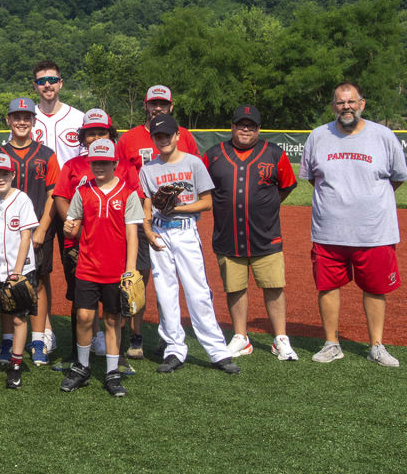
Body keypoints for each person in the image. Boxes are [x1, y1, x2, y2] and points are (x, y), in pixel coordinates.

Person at [300, 82, 406, 367]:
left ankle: (376, 346)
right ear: (334, 106)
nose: (346, 107)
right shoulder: (318, 136)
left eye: (351, 101)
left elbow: (397, 176)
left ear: (362, 104)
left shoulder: (383, 136)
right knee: (327, 287)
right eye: (340, 102)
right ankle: (332, 343)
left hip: (374, 231)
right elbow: (313, 177)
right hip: (328, 231)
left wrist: (368, 200)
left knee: (375, 288)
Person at [139, 114, 239, 375]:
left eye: (167, 135)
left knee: (198, 291)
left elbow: (207, 202)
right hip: (160, 234)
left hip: (185, 232)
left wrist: (178, 207)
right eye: (158, 136)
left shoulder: (193, 163)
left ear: (177, 136)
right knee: (165, 292)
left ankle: (217, 351)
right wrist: (148, 231)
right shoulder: (148, 169)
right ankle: (174, 348)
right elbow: (147, 205)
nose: (163, 140)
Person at [203, 105, 298, 361]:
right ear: (232, 126)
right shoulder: (213, 155)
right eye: (240, 124)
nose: (245, 129)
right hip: (227, 234)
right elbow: (204, 190)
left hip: (265, 234)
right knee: (235, 288)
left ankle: (280, 338)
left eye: (251, 125)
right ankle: (241, 337)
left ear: (258, 129)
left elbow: (286, 186)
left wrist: (266, 205)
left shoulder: (274, 153)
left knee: (274, 286)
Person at [116, 84, 201, 359]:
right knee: (138, 278)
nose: (157, 108)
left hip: (171, 221)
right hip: (137, 218)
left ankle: (170, 337)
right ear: (146, 105)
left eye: (162, 103)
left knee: (170, 283)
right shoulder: (129, 139)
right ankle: (136, 335)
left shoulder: (184, 136)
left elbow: (195, 177)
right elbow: (117, 176)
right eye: (153, 103)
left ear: (171, 107)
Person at [52, 108, 139, 368]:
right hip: (78, 244)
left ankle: (117, 355)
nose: (95, 137)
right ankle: (77, 356)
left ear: (110, 135)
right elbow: (60, 197)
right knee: (80, 303)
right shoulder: (73, 165)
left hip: (115, 246)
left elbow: (134, 201)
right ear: (83, 136)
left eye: (101, 132)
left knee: (115, 305)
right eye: (90, 133)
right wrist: (75, 228)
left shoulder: (123, 165)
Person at [0, 97, 58, 366]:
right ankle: (7, 340)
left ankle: (38, 339)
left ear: (34, 121)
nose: (22, 121)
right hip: (5, 236)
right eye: (17, 117)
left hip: (36, 231)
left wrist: (42, 229)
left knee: (35, 283)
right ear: (8, 120)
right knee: (5, 287)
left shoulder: (47, 154)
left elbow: (53, 195)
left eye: (27, 117)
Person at [0, 153, 39, 389]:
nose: (0, 178)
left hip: (21, 269)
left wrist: (17, 270)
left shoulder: (22, 199)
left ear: (13, 175)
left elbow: (26, 236)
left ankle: (15, 364)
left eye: (4, 173)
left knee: (18, 317)